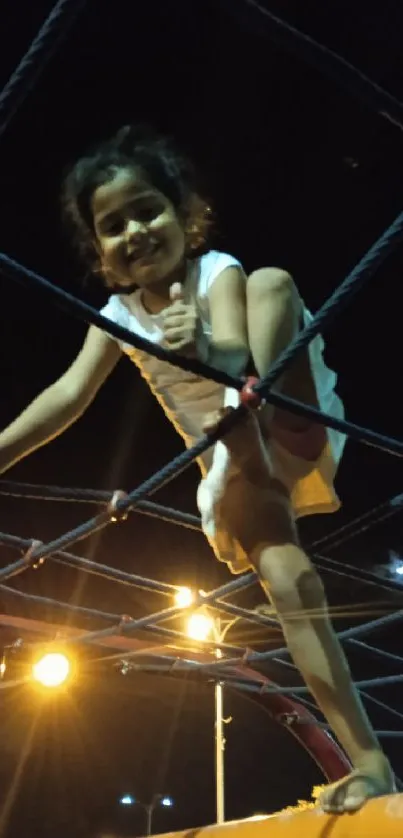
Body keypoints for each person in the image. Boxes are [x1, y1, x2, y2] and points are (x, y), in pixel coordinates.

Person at [0, 125, 394, 812]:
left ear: (184, 216)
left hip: (284, 414)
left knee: (273, 283)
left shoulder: (219, 272)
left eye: (147, 209)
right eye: (113, 225)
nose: (136, 231)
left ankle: (244, 414)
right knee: (286, 578)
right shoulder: (118, 315)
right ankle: (370, 763)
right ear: (102, 253)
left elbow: (236, 342)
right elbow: (65, 397)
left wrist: (210, 348)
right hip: (238, 463)